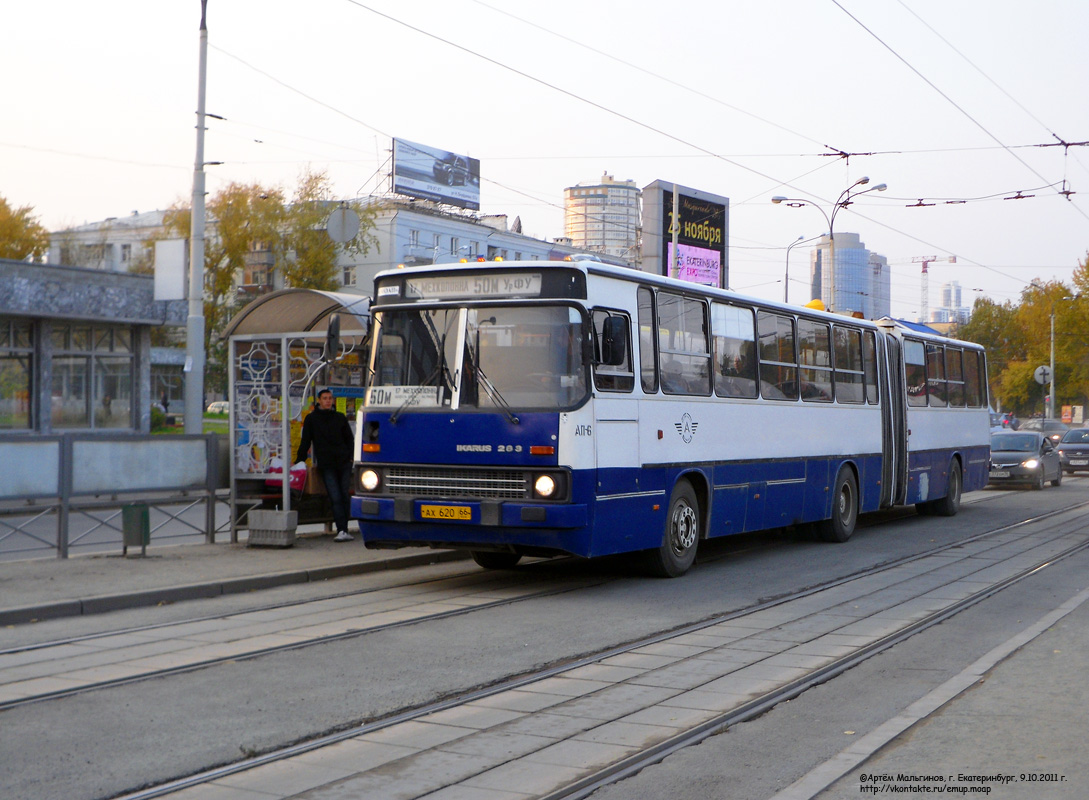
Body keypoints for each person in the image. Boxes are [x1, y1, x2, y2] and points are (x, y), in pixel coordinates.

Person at [294, 389, 355, 542]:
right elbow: (306, 441)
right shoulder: (312, 419)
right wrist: (299, 461)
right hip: (327, 464)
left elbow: (350, 439)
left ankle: (344, 529)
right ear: (319, 401)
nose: (328, 401)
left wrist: (351, 458)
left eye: (330, 398)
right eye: (325, 398)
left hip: (343, 463)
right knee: (335, 496)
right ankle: (341, 530)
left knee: (344, 495)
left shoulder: (340, 418)